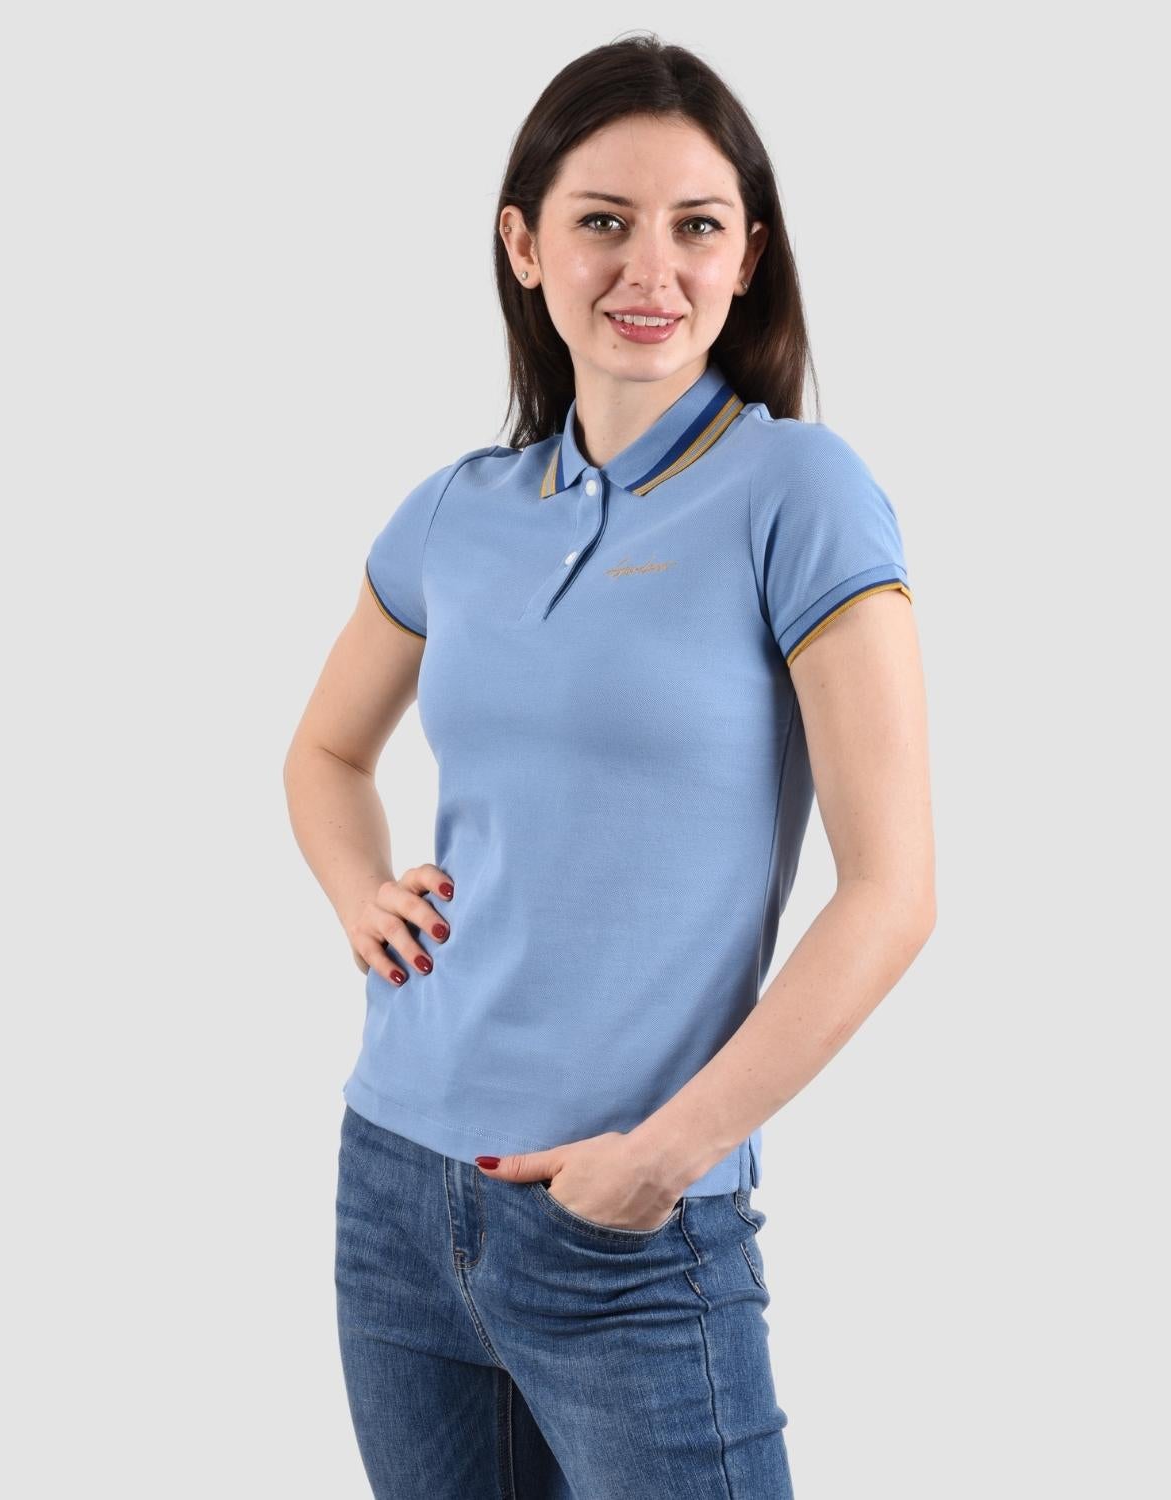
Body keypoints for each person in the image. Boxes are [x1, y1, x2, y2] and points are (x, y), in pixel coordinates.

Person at [283, 34, 935, 1500]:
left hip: (632, 1228)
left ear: (748, 256)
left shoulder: (800, 494)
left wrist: (667, 1154)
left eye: (697, 226)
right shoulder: (458, 509)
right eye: (603, 221)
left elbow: (893, 892)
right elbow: (324, 752)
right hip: (396, 1189)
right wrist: (359, 892)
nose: (653, 268)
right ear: (525, 246)